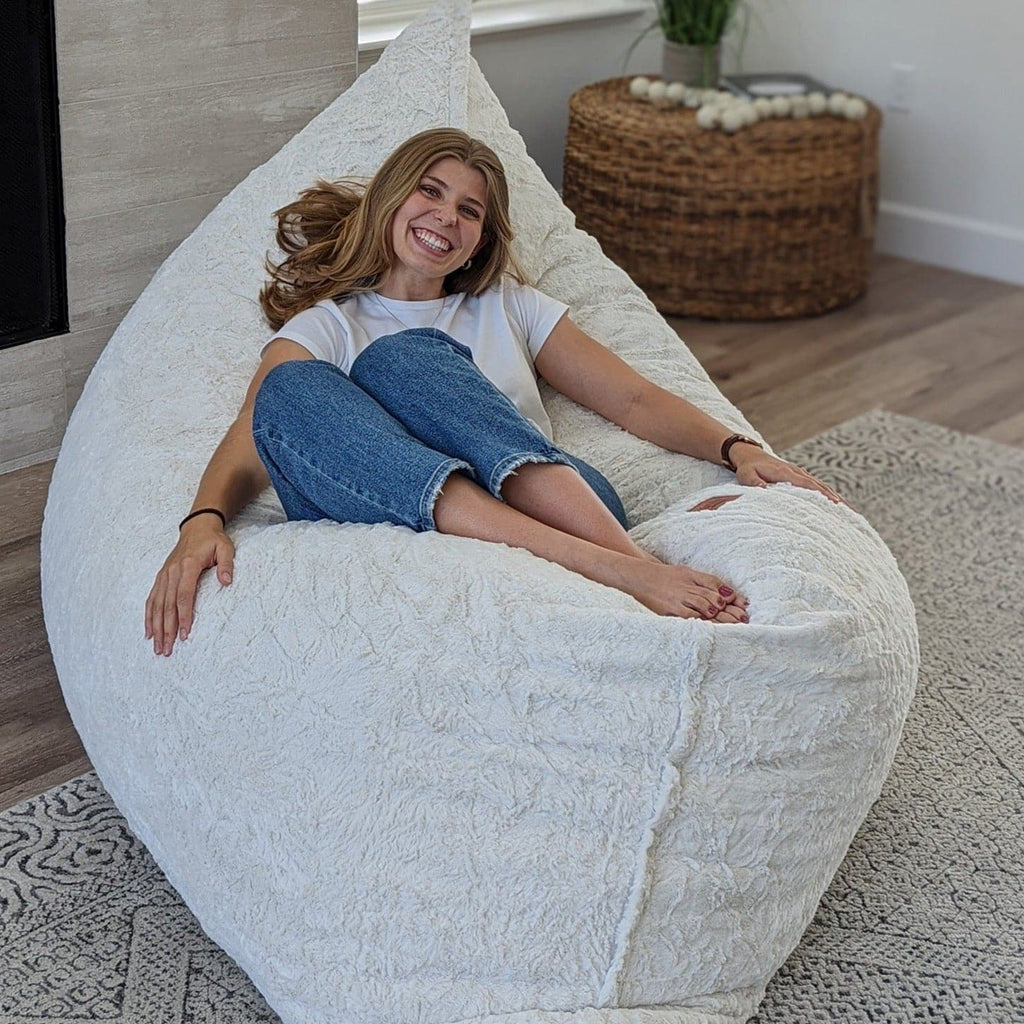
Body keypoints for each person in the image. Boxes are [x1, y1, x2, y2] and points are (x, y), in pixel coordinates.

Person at [145, 128, 844, 657]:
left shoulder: (507, 305)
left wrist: (737, 447)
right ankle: (630, 571)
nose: (447, 217)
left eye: (470, 210)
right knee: (291, 390)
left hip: (569, 511)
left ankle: (629, 570)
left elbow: (631, 400)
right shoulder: (327, 324)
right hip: (400, 516)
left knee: (403, 362)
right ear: (392, 199)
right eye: (430, 191)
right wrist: (203, 519)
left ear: (480, 241)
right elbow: (256, 430)